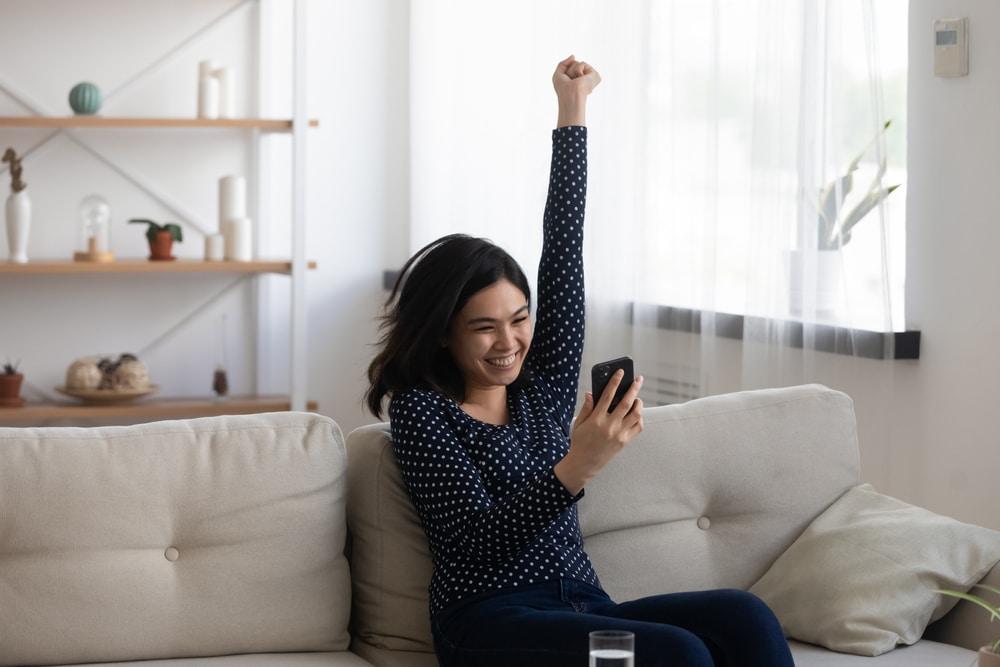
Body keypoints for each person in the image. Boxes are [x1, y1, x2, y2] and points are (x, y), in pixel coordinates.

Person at [365, 55, 794, 667]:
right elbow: (476, 545)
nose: (509, 342)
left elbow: (563, 245)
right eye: (483, 328)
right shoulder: (423, 413)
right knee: (678, 654)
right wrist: (580, 464)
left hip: (583, 609)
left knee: (741, 614)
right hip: (490, 622)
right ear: (441, 335)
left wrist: (573, 109)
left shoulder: (540, 387)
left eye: (519, 319)